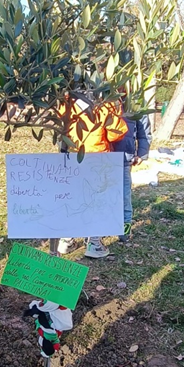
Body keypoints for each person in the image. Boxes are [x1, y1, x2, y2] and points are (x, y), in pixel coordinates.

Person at [56, 89, 127, 258]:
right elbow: (116, 133)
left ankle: (66, 240)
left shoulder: (66, 103)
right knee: (96, 201)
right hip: (97, 159)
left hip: (72, 157)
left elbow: (59, 127)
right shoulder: (104, 106)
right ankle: (94, 243)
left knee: (73, 199)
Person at [112, 109, 152, 242]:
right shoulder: (103, 102)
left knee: (124, 197)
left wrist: (141, 153)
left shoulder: (135, 105)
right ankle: (96, 234)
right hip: (101, 157)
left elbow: (144, 132)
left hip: (124, 159)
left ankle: (125, 232)